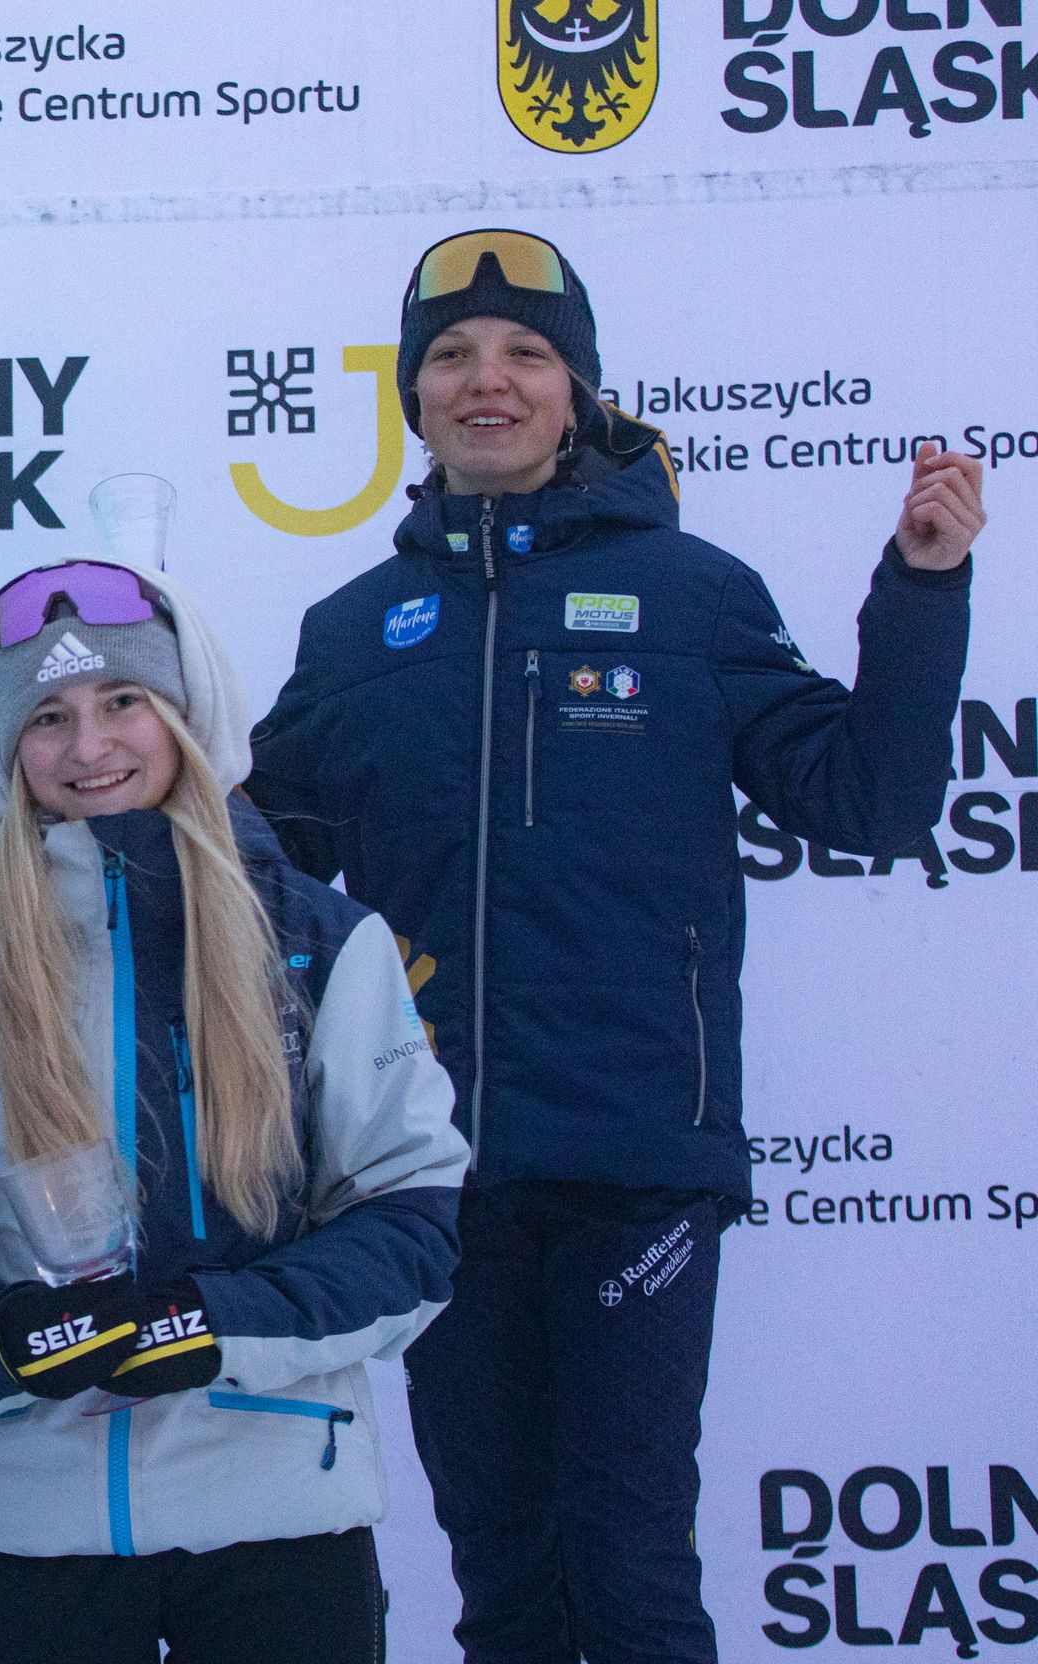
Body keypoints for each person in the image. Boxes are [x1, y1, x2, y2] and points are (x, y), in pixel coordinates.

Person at [248, 228, 985, 1663]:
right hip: (427, 1170)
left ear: (579, 388)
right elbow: (253, 875)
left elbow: (872, 801)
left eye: (527, 353)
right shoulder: (354, 634)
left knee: (632, 1562)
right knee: (505, 1575)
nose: (489, 381)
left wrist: (921, 592)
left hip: (637, 1158)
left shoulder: (690, 594)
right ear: (414, 396)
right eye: (453, 356)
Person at [0, 557, 468, 1661]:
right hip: (22, 1532)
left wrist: (214, 1322)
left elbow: (411, 1232)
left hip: (278, 1519)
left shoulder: (321, 939)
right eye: (48, 715)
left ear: (185, 709)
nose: (90, 749)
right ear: (4, 747)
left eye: (123, 702)